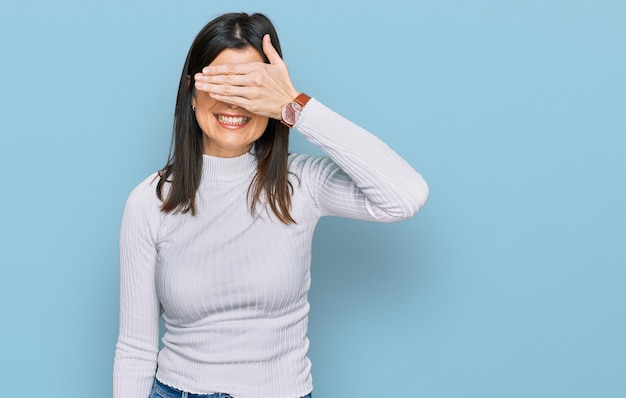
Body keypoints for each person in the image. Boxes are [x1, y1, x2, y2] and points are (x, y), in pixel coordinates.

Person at [113, 11, 429, 398]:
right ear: (192, 92)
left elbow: (405, 195)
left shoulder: (302, 184)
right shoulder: (150, 201)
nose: (234, 100)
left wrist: (295, 105)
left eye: (250, 86)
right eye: (222, 82)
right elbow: (135, 349)